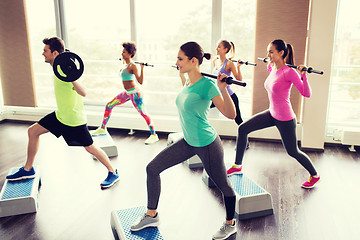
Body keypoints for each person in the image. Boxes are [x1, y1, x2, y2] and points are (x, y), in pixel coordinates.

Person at [130, 42, 237, 240]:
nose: (176, 62)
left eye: (180, 59)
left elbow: (231, 114)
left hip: (206, 143)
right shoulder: (188, 82)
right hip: (188, 140)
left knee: (223, 185)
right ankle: (151, 215)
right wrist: (182, 73)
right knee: (152, 169)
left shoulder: (208, 85)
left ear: (193, 61)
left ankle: (230, 224)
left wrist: (223, 89)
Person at [6, 37, 119, 189]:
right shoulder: (57, 66)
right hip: (60, 116)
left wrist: (72, 78)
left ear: (55, 53)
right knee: (33, 131)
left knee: (90, 147)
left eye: (45, 51)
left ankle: (113, 172)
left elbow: (83, 92)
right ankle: (28, 169)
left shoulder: (64, 70)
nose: (42, 53)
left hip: (73, 120)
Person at [226, 39, 320, 189]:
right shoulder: (273, 68)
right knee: (242, 128)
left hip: (285, 119)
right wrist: (269, 61)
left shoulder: (290, 72)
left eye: (271, 52)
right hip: (272, 113)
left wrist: (303, 75)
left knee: (293, 151)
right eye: (268, 51)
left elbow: (306, 93)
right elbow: (273, 72)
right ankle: (237, 165)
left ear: (281, 53)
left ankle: (315, 175)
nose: (268, 54)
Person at [91, 42, 159, 145]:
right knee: (109, 105)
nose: (122, 53)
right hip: (127, 93)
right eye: (122, 51)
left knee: (144, 113)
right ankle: (103, 128)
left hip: (135, 94)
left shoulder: (133, 66)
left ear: (130, 54)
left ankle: (154, 135)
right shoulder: (125, 64)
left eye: (124, 52)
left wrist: (142, 68)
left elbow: (140, 81)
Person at [211, 40, 244, 125]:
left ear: (225, 49)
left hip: (229, 96)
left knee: (238, 120)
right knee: (203, 107)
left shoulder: (229, 63)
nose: (216, 49)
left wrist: (238, 67)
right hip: (217, 95)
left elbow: (239, 79)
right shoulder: (215, 61)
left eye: (219, 47)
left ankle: (245, 136)